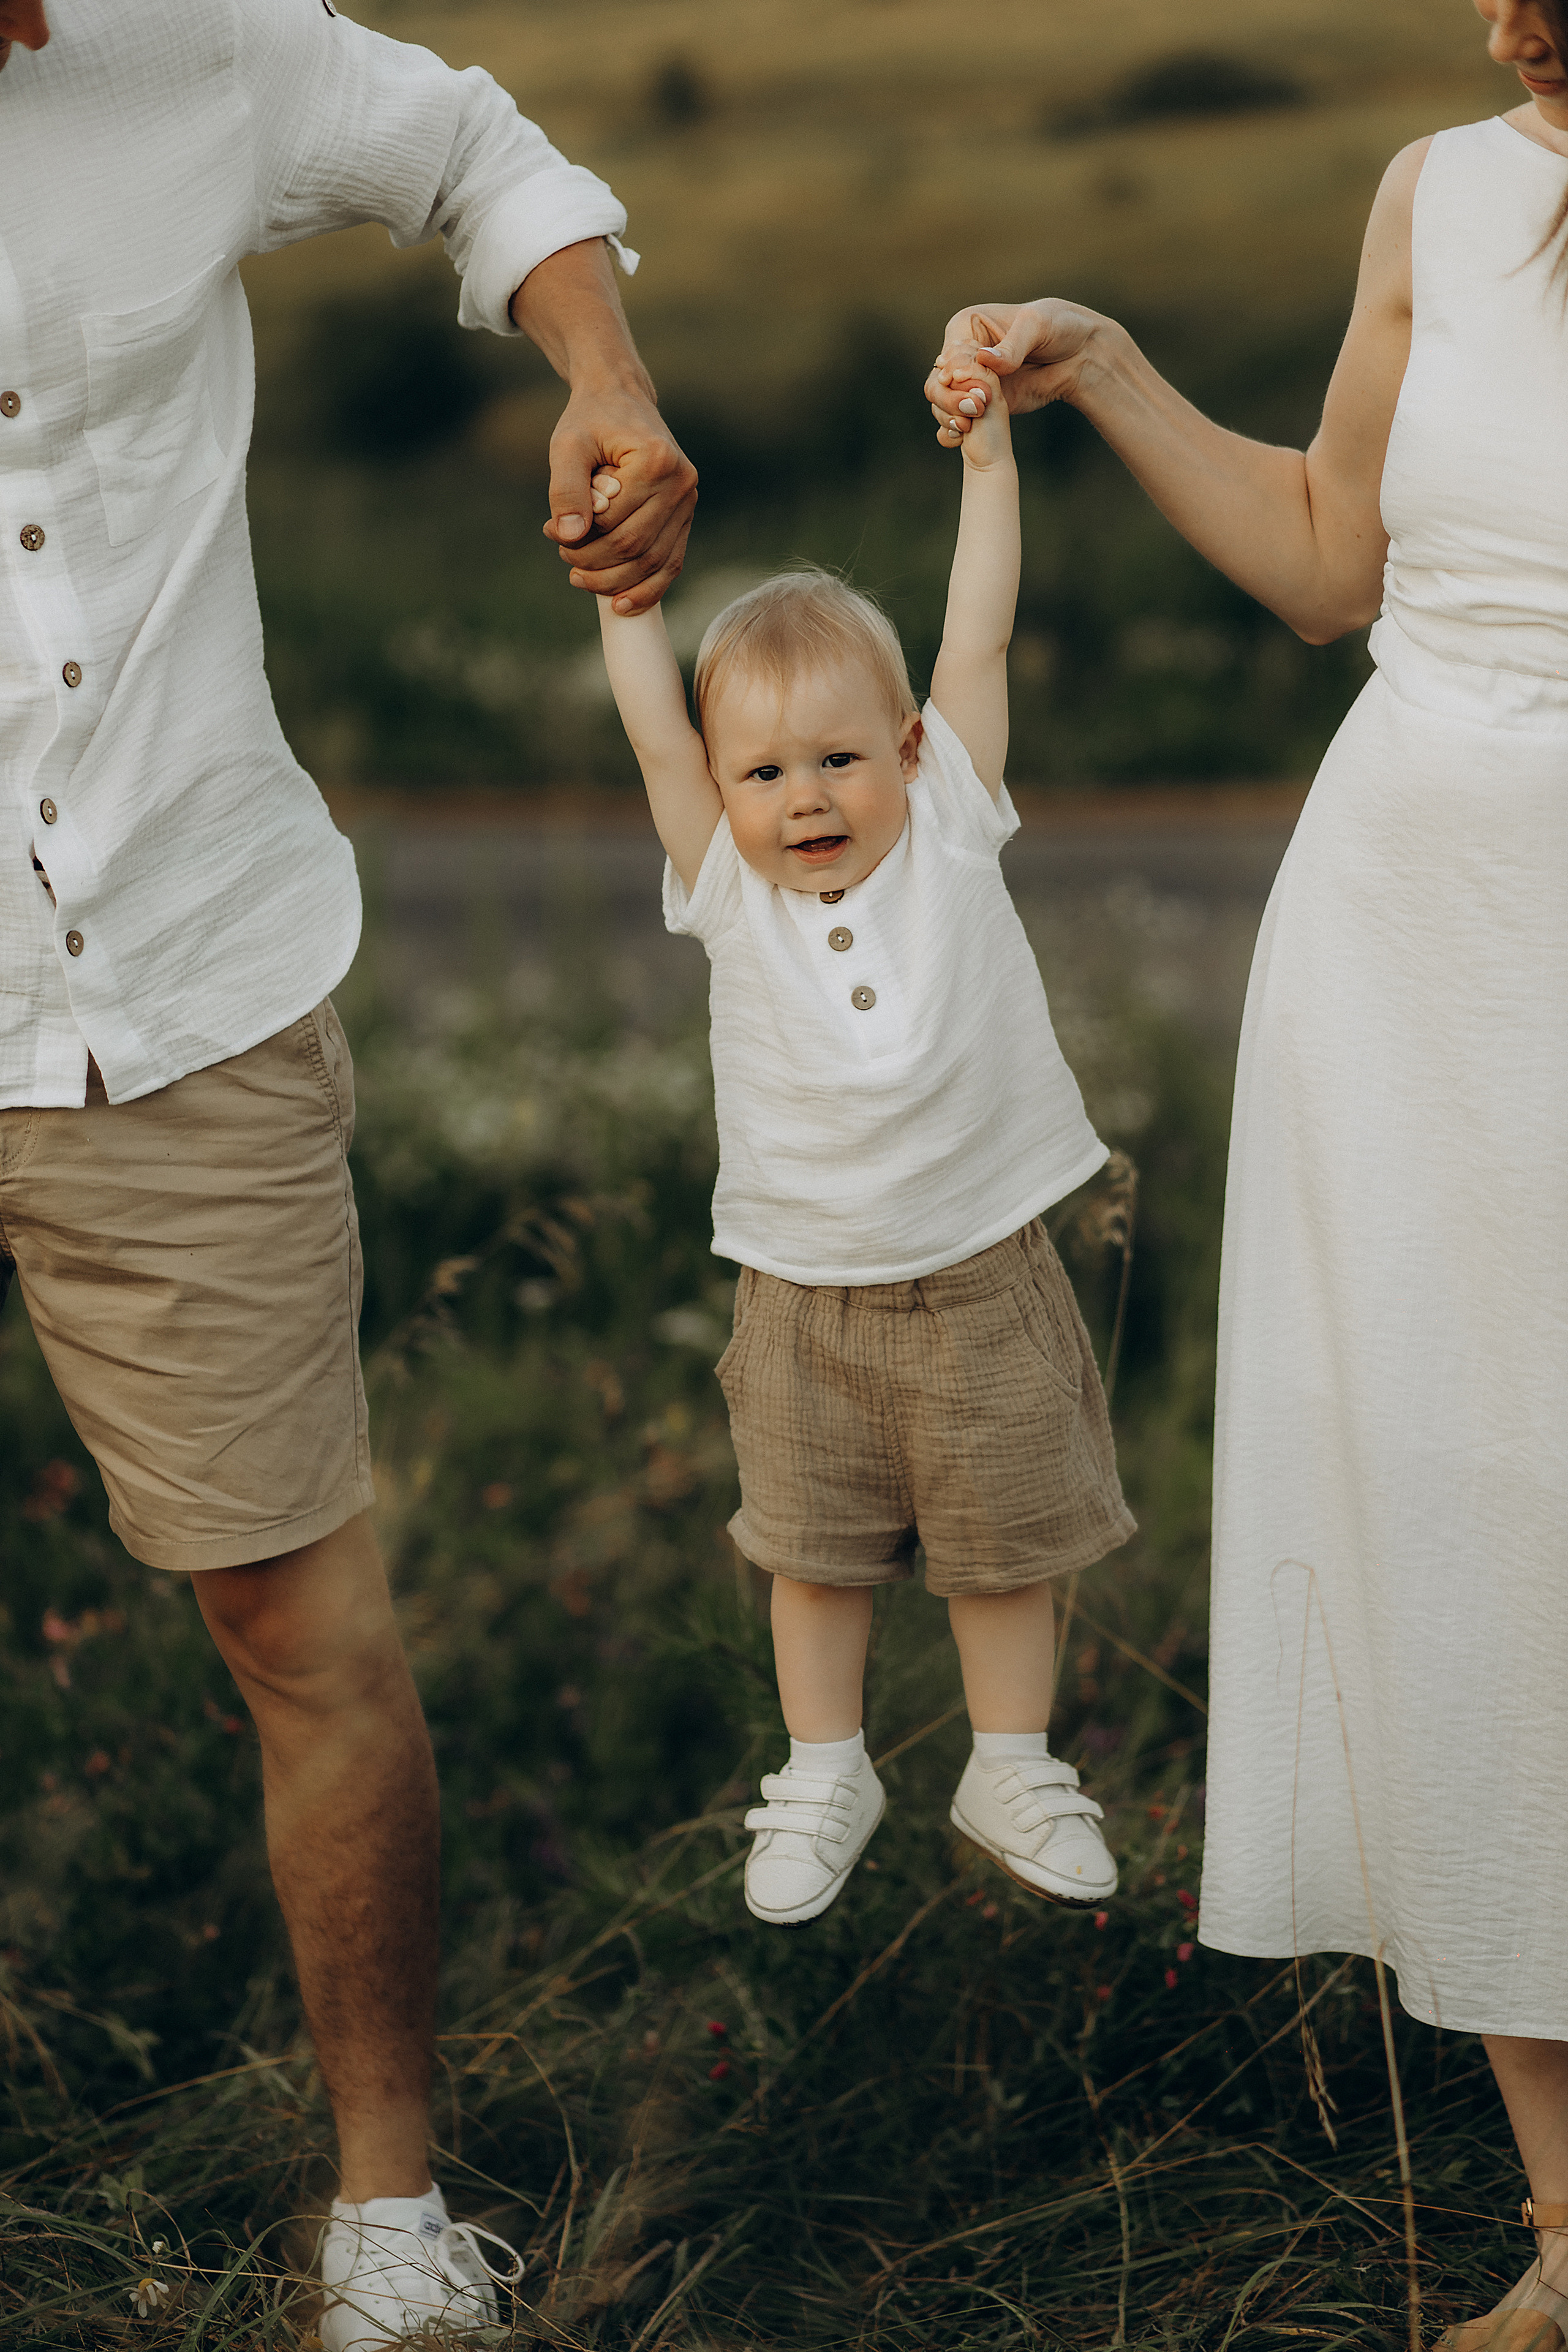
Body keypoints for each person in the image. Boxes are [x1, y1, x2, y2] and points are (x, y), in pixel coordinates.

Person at [0, 0, 694, 2341]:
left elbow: (481, 154)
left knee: (304, 1629)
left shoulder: (189, 43)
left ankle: (392, 2231)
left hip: (183, 988)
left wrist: (604, 375)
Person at [927, 2, 1568, 2345]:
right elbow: (1327, 561)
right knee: (1484, 1532)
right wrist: (1105, 373)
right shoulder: (1439, 187)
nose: (1509, 34)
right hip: (1413, 946)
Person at [591, 362, 1134, 1932]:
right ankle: (822, 1764)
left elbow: (979, 629)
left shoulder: (952, 813)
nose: (803, 797)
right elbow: (649, 736)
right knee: (811, 1552)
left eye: (835, 758)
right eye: (760, 773)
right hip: (802, 1293)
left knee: (1004, 1545)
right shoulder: (724, 886)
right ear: (721, 792)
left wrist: (986, 463)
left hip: (980, 1271)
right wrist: (629, 588)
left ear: (904, 748)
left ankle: (1010, 1763)